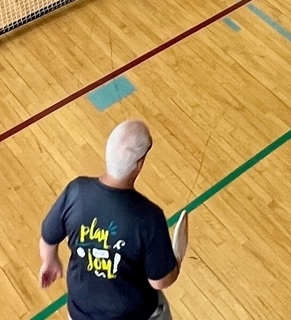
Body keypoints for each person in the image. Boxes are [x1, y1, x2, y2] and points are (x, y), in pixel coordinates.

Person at [40, 119, 187, 320]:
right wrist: (176, 264)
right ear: (139, 164)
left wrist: (50, 261)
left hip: (80, 315)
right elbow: (159, 281)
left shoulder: (76, 192)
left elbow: (48, 237)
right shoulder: (149, 217)